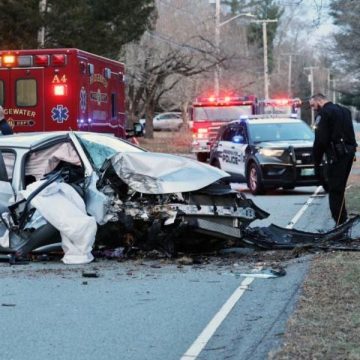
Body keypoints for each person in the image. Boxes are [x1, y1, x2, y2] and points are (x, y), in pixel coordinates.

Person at [309, 93, 357, 226]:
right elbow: (351, 134)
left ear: (319, 101)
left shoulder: (324, 113)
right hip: (348, 153)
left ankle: (340, 222)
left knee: (334, 188)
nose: (313, 108)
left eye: (313, 105)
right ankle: (342, 219)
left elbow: (320, 140)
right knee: (340, 187)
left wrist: (316, 161)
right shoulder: (345, 111)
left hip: (336, 155)